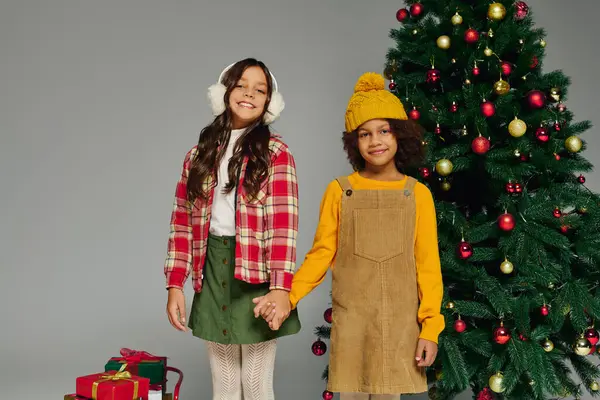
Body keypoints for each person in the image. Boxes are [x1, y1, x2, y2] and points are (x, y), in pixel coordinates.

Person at [254, 72, 444, 399]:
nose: (376, 141)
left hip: (400, 326)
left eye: (384, 130)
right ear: (354, 142)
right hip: (353, 323)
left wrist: (431, 329)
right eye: (364, 134)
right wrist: (290, 294)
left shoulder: (418, 195)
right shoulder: (341, 192)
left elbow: (428, 267)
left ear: (400, 134)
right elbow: (321, 255)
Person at [164, 58, 301, 400]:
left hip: (257, 272)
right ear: (224, 92)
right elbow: (181, 222)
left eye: (260, 90)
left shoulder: (276, 154)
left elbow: (284, 226)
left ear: (269, 102)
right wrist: (174, 284)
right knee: (224, 384)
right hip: (212, 267)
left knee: (255, 383)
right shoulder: (197, 156)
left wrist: (281, 288)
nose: (249, 94)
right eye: (241, 85)